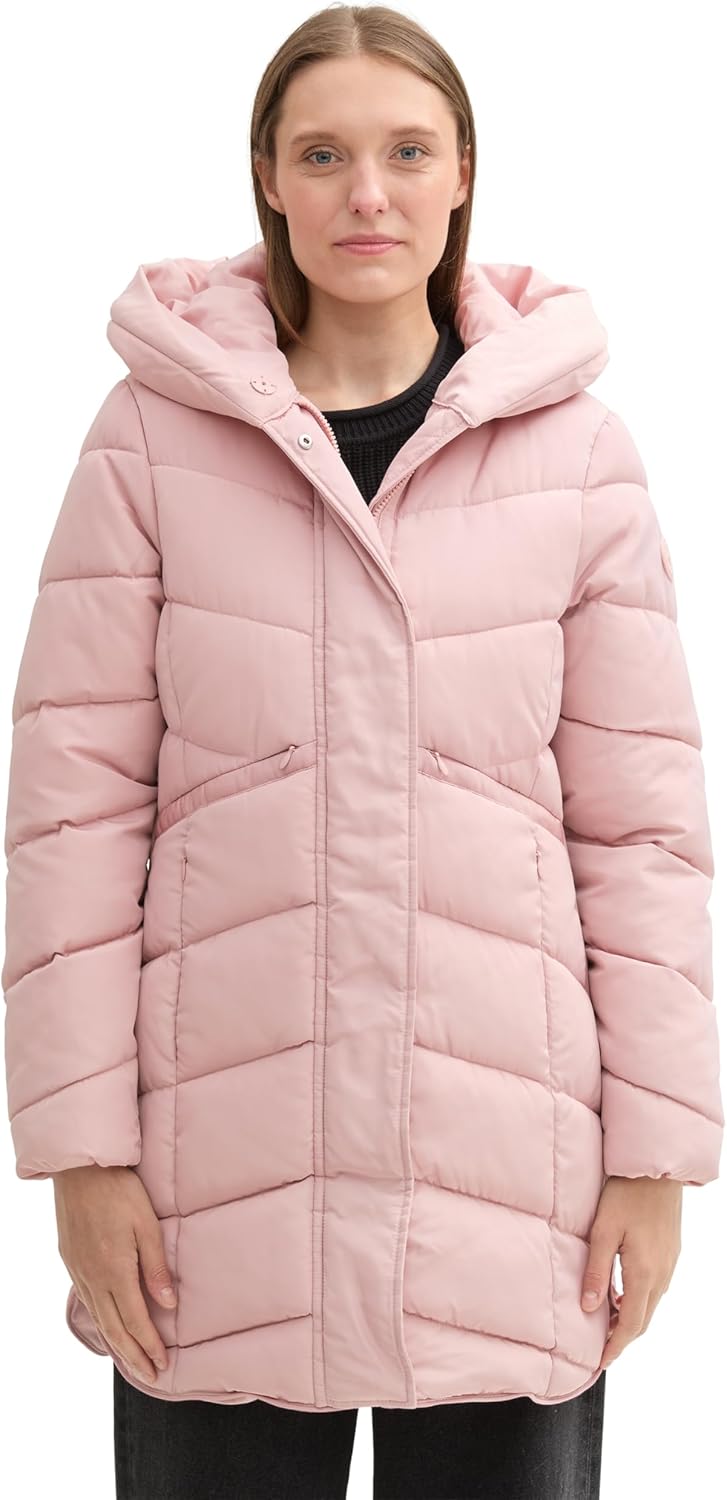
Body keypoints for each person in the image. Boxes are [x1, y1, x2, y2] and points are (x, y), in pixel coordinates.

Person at [3, 5, 722, 1498]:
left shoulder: (577, 453)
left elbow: (641, 832)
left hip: (511, 1173)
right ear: (269, 178)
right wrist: (80, 1154)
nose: (367, 194)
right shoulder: (151, 439)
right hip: (214, 1179)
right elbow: (73, 816)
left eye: (407, 151)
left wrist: (657, 1160)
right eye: (323, 155)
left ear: (463, 174)